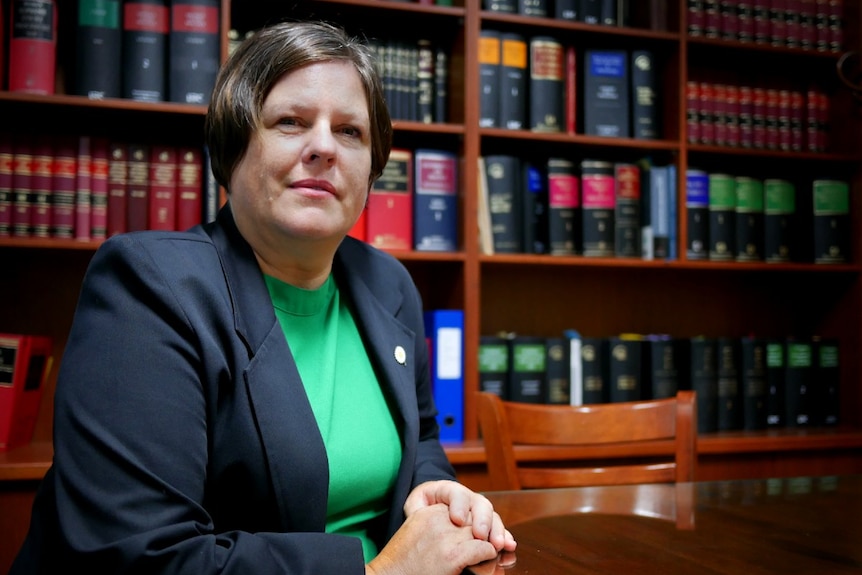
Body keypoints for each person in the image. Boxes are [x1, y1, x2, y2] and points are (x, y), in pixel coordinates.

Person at [10, 20, 516, 575]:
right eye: (291, 122)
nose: (324, 147)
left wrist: (434, 487)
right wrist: (380, 573)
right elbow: (143, 557)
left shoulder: (388, 283)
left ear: (372, 170)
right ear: (232, 149)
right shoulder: (148, 285)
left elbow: (418, 436)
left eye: (350, 132)